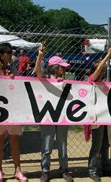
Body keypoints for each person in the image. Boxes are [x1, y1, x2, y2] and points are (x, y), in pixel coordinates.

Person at [0, 43, 27, 182]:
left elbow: (18, 86)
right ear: (0, 54)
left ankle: (18, 170)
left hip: (12, 109)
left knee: (14, 140)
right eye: (8, 52)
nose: (11, 55)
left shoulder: (12, 68)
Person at [34, 43, 73, 182]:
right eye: (62, 67)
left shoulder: (65, 81)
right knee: (47, 145)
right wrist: (40, 56)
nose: (64, 69)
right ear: (55, 68)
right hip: (48, 116)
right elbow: (38, 71)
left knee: (62, 145)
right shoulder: (44, 79)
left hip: (62, 116)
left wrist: (62, 83)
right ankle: (45, 170)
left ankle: (64, 170)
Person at [86, 45, 111, 182]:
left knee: (106, 143)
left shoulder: (103, 83)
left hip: (105, 116)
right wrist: (108, 55)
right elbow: (98, 70)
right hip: (96, 117)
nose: (103, 72)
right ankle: (92, 170)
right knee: (97, 145)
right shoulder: (91, 80)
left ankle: (106, 166)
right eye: (102, 70)